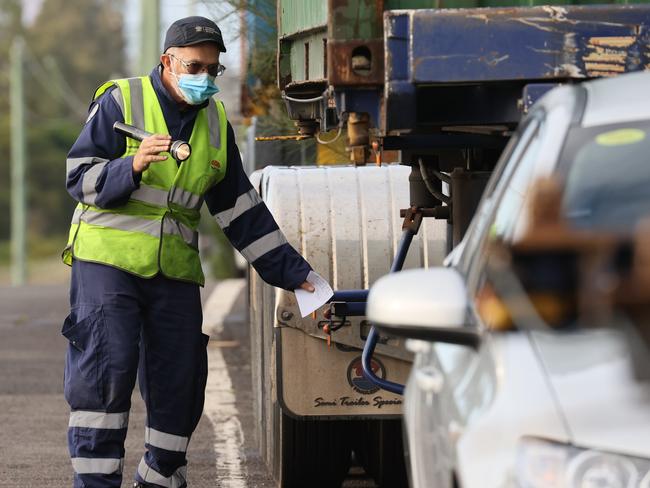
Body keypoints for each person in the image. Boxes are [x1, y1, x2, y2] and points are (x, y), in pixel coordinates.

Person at [61, 16, 315, 488]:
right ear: (167, 62)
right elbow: (78, 177)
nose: (204, 78)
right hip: (107, 264)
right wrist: (130, 166)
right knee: (107, 371)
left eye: (213, 70)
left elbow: (241, 211)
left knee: (180, 379)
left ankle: (158, 476)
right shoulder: (122, 99)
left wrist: (296, 274)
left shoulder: (215, 122)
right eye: (194, 66)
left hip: (172, 271)